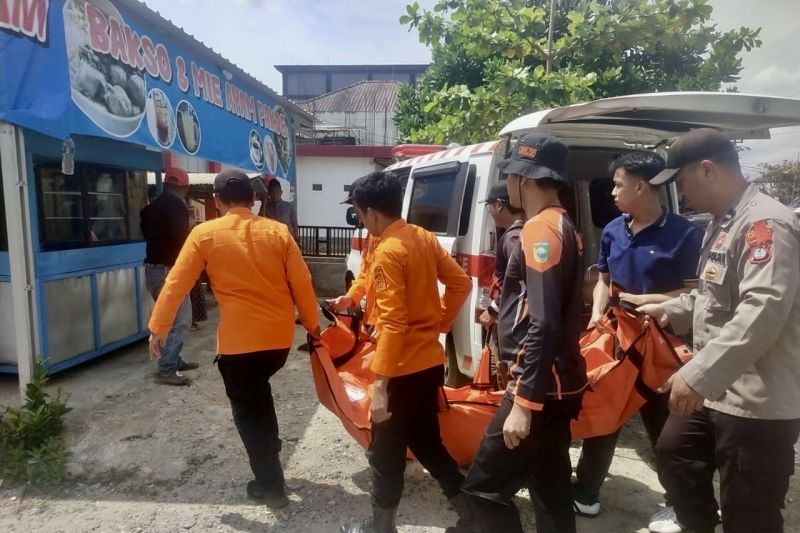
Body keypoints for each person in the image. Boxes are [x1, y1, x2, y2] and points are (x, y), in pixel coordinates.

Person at [638, 128, 800, 533]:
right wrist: (669, 310)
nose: (679, 193)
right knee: (675, 454)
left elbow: (762, 309)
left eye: (680, 182)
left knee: (749, 514)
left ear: (707, 169)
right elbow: (715, 297)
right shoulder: (723, 222)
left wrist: (696, 376)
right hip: (717, 388)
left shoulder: (765, 224)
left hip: (755, 400)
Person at [148, 170, 321, 509]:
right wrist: (313, 326)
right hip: (278, 343)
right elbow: (302, 282)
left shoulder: (204, 233)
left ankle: (272, 487)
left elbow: (177, 283)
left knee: (247, 411)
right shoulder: (278, 232)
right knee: (259, 391)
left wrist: (159, 327)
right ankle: (271, 448)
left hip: (240, 346)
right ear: (253, 199)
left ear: (216, 201)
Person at [448, 133, 588, 533]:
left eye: (510, 175)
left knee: (483, 489)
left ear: (522, 180)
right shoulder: (564, 225)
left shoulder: (540, 230)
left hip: (540, 387)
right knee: (550, 484)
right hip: (558, 384)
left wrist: (524, 402)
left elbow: (542, 320)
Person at [573, 152, 703, 527]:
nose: (612, 191)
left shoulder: (685, 234)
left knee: (665, 429)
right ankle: (585, 494)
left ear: (641, 185)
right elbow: (604, 279)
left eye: (617, 183)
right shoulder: (614, 229)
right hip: (619, 339)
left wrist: (647, 301)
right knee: (605, 415)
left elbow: (695, 295)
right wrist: (598, 313)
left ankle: (680, 504)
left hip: (662, 348)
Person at [340, 171, 473, 533]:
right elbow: (461, 283)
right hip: (427, 361)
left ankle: (380, 527)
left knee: (385, 452)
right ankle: (472, 514)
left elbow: (395, 324)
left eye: (359, 213)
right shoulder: (420, 237)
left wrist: (380, 387)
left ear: (371, 212)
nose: (361, 221)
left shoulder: (388, 251)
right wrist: (438, 325)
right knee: (426, 441)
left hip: (399, 370)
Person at [140, 167, 198, 385]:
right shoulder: (176, 206)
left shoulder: (150, 208)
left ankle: (174, 360)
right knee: (179, 321)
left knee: (172, 319)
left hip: (153, 271)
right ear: (184, 187)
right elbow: (182, 238)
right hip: (168, 272)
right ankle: (166, 368)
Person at [477, 180, 525, 389]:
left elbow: (518, 282)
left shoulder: (514, 237)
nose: (488, 210)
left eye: (488, 204)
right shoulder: (516, 232)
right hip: (510, 319)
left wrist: (492, 309)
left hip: (511, 322)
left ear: (498, 204)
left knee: (503, 376)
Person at [329, 176, 380, 331]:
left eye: (357, 211)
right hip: (377, 325)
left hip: (387, 330)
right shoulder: (372, 237)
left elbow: (394, 305)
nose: (358, 217)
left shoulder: (391, 248)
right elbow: (365, 275)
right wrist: (349, 299)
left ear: (370, 212)